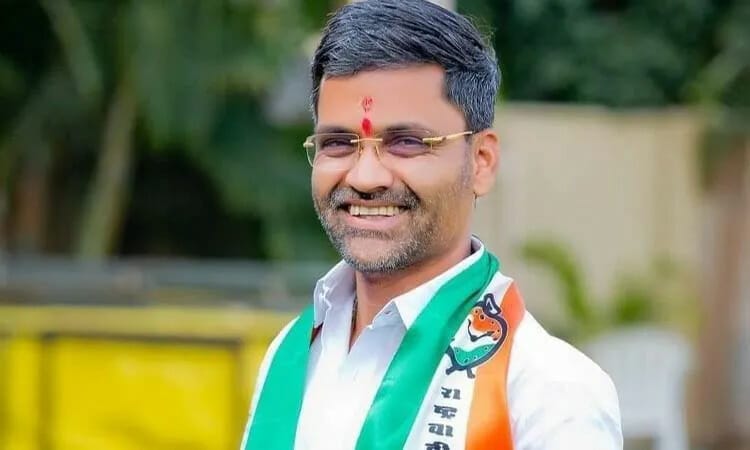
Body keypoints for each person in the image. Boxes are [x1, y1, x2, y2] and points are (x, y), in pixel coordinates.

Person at [241, 1, 622, 449]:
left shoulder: (549, 394)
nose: (365, 177)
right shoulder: (291, 355)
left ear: (481, 161)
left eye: (406, 142)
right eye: (338, 142)